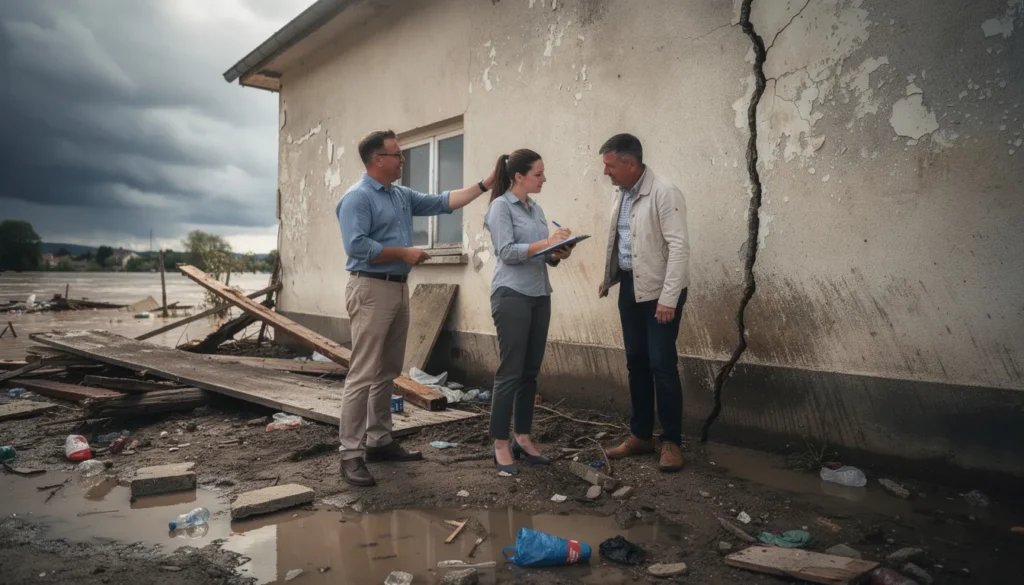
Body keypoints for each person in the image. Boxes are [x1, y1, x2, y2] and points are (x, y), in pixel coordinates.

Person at [336, 129, 496, 487]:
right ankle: (350, 454)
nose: (403, 160)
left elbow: (443, 202)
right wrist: (403, 253)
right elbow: (357, 245)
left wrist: (484, 185)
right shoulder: (357, 198)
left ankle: (379, 441)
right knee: (362, 372)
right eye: (397, 155)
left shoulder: (399, 195)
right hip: (370, 288)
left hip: (396, 288)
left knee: (387, 370)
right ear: (378, 160)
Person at [597, 133, 690, 472]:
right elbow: (621, 239)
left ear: (630, 163)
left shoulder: (664, 192)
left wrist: (668, 299)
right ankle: (641, 435)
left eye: (610, 166)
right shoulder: (619, 193)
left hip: (660, 293)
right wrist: (609, 278)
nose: (606, 172)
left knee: (661, 366)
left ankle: (671, 442)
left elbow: (679, 247)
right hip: (630, 288)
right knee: (636, 362)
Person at [484, 149, 573, 474]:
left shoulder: (536, 209)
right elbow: (507, 252)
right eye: (538, 174)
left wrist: (557, 252)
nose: (543, 179)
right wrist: (545, 243)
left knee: (530, 372)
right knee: (510, 371)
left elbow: (540, 255)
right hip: (511, 295)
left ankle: (522, 436)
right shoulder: (499, 207)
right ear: (518, 176)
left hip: (539, 294)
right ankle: (500, 443)